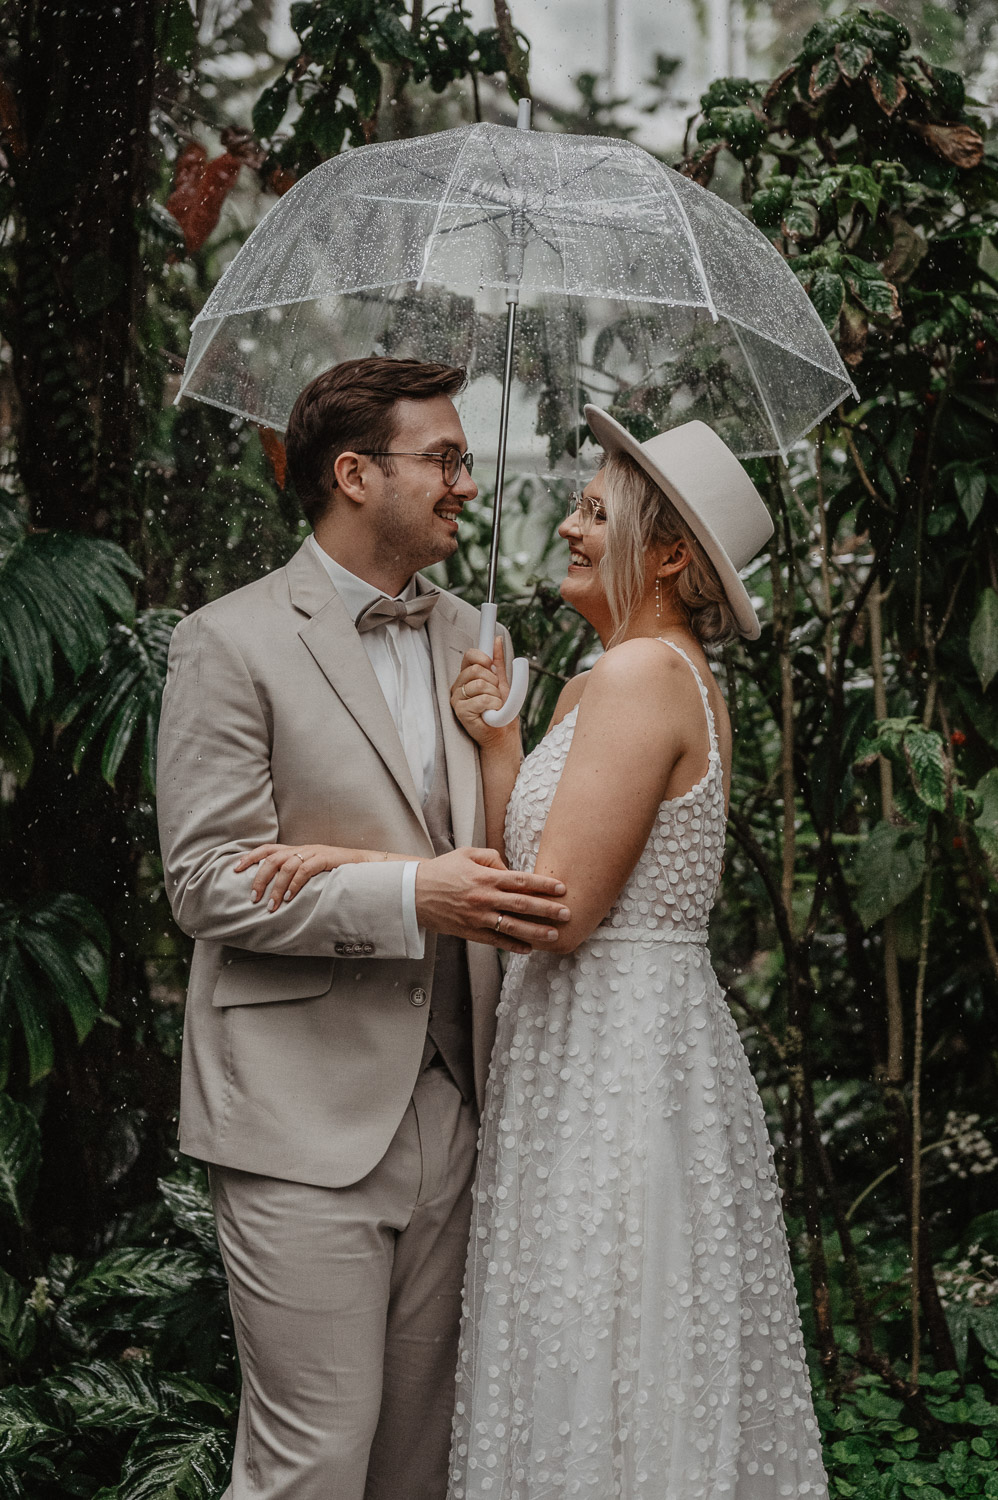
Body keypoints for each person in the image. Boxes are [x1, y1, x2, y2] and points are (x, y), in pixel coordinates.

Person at [245, 407, 830, 1497]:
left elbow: (553, 912)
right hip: (576, 1049)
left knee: (601, 1340)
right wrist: (504, 744)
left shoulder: (641, 676)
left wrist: (329, 863)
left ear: (664, 553)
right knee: (581, 1346)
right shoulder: (598, 681)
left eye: (594, 511)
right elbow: (549, 859)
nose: (565, 525)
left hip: (616, 1061)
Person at [155, 355, 574, 1500]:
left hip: (458, 1103)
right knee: (309, 1466)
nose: (465, 485)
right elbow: (205, 882)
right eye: (441, 459)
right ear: (353, 472)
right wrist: (407, 897)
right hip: (302, 1118)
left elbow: (505, 862)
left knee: (417, 1468)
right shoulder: (228, 641)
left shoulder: (475, 638)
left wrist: (498, 752)